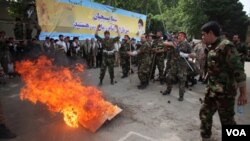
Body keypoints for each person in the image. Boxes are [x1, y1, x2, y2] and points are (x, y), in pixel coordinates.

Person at [199, 21, 247, 141]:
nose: (202, 37)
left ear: (210, 33)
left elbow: (239, 70)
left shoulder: (226, 46)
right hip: (212, 90)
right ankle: (206, 138)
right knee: (204, 114)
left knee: (228, 122)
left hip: (225, 93)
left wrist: (243, 93)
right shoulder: (211, 47)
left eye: (204, 34)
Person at [162, 32, 194, 101]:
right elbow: (164, 43)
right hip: (174, 65)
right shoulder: (175, 43)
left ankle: (181, 96)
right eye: (179, 36)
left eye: (181, 36)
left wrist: (185, 55)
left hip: (182, 66)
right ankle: (168, 90)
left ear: (184, 37)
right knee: (168, 77)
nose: (179, 37)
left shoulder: (187, 44)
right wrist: (172, 44)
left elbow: (193, 54)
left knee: (182, 81)